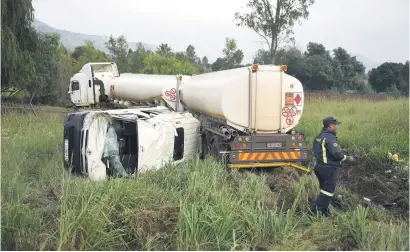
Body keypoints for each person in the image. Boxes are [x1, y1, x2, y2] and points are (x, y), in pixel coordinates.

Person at [310, 116, 354, 216]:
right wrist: (348, 158)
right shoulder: (329, 137)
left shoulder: (319, 136)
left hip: (319, 167)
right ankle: (315, 210)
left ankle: (324, 212)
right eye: (335, 125)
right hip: (328, 169)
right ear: (330, 126)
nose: (336, 127)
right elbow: (337, 154)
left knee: (324, 190)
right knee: (328, 192)